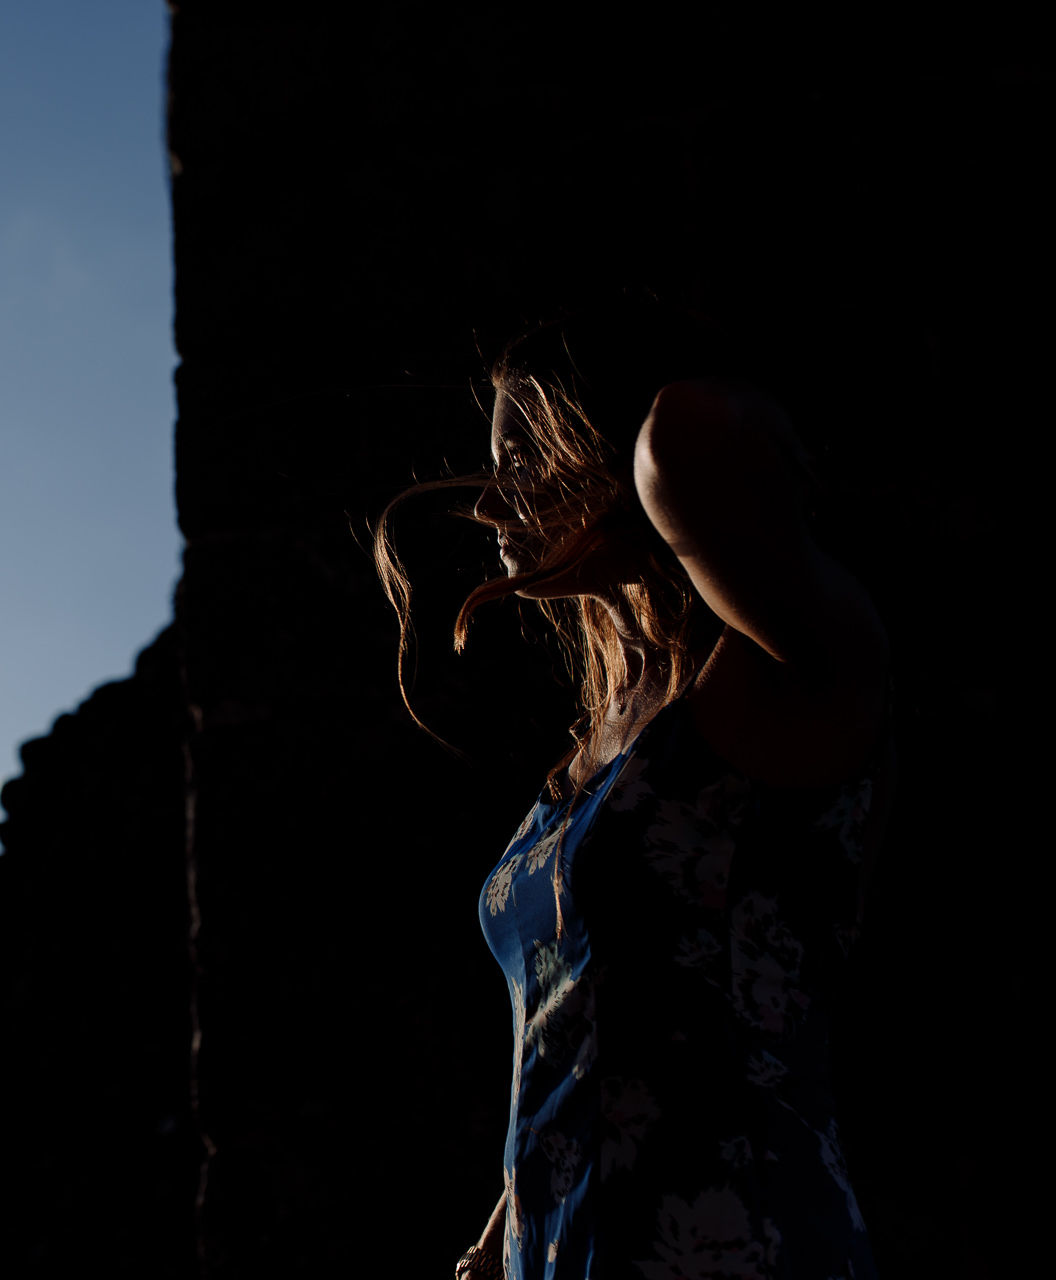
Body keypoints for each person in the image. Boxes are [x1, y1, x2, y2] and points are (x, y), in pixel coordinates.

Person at [374, 303, 889, 1278]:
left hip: (736, 1238)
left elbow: (695, 428)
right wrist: (502, 1232)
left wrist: (629, 439)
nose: (491, 501)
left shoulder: (783, 673)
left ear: (611, 453)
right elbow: (587, 1020)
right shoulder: (595, 743)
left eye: (525, 455)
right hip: (570, 1246)